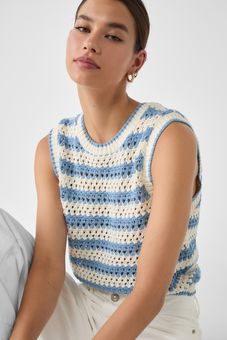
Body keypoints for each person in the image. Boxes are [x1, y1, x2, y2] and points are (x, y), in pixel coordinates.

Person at [2, 0, 203, 339]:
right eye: (83, 28)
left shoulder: (167, 137)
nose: (90, 42)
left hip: (158, 321)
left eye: (112, 36)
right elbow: (49, 268)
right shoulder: (53, 149)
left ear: (136, 61)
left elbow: (149, 295)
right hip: (83, 306)